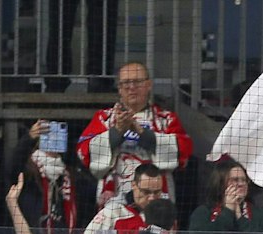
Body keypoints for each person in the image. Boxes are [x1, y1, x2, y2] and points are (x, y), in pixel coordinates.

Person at [77, 61, 193, 205]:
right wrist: (116, 132)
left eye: (137, 82)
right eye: (126, 83)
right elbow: (84, 152)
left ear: (149, 84)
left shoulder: (166, 119)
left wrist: (144, 134)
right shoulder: (104, 118)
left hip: (156, 201)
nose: (131, 87)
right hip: (114, 202)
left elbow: (184, 151)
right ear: (119, 88)